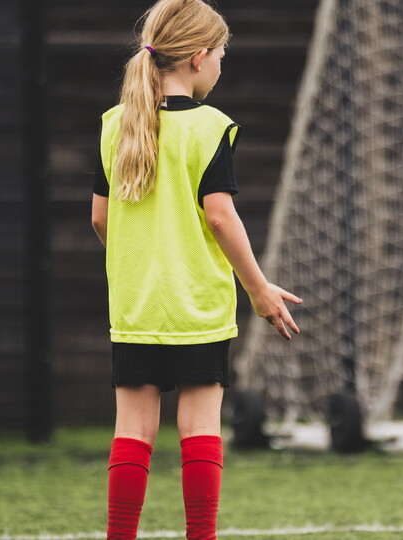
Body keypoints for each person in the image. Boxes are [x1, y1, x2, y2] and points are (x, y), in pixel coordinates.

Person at [90, 1, 301, 538]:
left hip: (137, 306)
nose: (222, 67)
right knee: (200, 428)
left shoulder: (115, 125)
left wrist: (140, 257)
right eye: (222, 56)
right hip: (197, 305)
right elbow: (220, 215)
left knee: (132, 431)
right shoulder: (211, 128)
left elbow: (99, 217)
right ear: (199, 57)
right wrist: (258, 290)